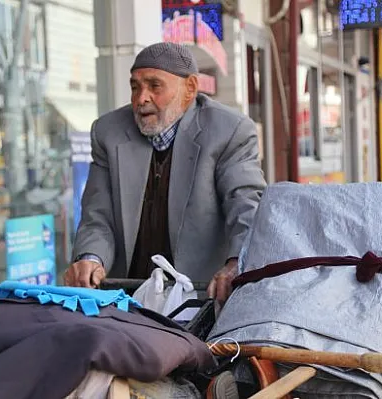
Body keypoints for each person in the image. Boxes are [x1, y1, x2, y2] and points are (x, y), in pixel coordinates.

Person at [64, 42, 266, 304]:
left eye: (154, 86)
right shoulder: (108, 132)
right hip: (127, 296)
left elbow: (247, 206)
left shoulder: (229, 130)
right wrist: (90, 258)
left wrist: (237, 262)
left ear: (190, 88)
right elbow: (97, 216)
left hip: (201, 297)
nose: (141, 98)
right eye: (135, 87)